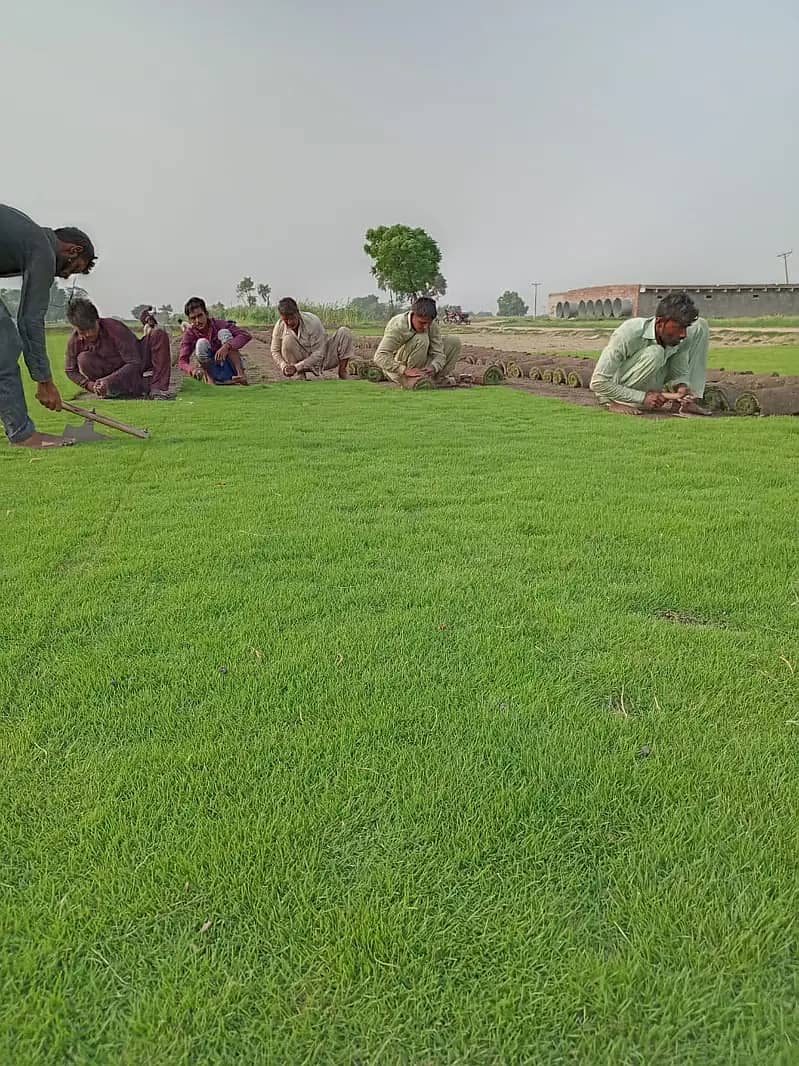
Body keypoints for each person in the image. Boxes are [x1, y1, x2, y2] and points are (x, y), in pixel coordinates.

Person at [0, 203, 96, 448]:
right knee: (5, 343)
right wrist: (44, 382)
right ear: (73, 250)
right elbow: (29, 320)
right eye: (73, 268)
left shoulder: (27, 235)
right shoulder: (43, 248)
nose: (64, 277)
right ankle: (22, 434)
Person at [590, 293, 710, 416]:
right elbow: (598, 382)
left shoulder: (680, 337)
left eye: (685, 327)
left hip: (655, 382)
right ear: (660, 323)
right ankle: (622, 400)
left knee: (700, 325)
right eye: (679, 327)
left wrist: (682, 386)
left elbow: (679, 369)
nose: (683, 334)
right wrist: (612, 403)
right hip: (626, 386)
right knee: (656, 352)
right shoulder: (629, 332)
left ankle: (687, 402)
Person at [65, 298, 172, 399]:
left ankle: (158, 388)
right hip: (111, 376)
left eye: (91, 328)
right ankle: (113, 390)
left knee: (159, 335)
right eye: (83, 332)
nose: (89, 334)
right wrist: (90, 385)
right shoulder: (75, 342)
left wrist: (108, 380)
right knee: (84, 359)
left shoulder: (114, 328)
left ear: (97, 320)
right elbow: (70, 370)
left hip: (135, 364)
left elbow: (134, 362)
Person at [373, 297, 462, 387]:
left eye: (429, 323)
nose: (426, 327)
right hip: (399, 368)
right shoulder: (398, 326)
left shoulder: (432, 326)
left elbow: (439, 353)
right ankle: (412, 379)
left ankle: (438, 379)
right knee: (421, 338)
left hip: (422, 363)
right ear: (413, 315)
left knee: (454, 341)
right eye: (422, 323)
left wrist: (434, 367)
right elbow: (380, 356)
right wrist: (404, 370)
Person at [270, 297, 353, 379]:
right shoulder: (280, 326)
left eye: (292, 318)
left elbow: (320, 353)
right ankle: (299, 375)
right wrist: (284, 366)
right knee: (287, 340)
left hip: (322, 358)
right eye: (286, 320)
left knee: (344, 332)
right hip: (298, 360)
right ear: (281, 317)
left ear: (297, 313)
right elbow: (275, 350)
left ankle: (342, 372)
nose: (289, 322)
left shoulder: (312, 322)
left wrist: (297, 367)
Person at [179, 297, 250, 385]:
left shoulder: (219, 324)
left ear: (206, 314)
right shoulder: (190, 334)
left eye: (200, 316)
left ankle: (240, 375)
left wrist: (227, 346)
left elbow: (245, 335)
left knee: (224, 332)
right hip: (212, 369)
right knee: (201, 343)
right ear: (189, 320)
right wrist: (192, 370)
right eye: (193, 318)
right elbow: (182, 361)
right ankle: (211, 380)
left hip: (229, 365)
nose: (197, 321)